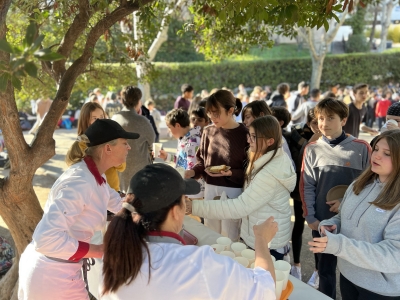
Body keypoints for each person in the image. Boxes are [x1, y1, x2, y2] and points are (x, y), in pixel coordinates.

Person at [99, 164, 277, 299]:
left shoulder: (118, 252)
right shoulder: (199, 263)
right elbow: (265, 290)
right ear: (176, 212)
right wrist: (261, 240)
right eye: (184, 200)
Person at [18, 119, 140, 300]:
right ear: (108, 148)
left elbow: (118, 203)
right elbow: (45, 239)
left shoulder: (95, 175)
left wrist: (152, 207)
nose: (128, 148)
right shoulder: (80, 182)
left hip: (60, 269)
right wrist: (98, 250)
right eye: (124, 143)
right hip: (51, 275)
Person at [187, 116, 296, 261]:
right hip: (263, 236)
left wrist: (194, 206)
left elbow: (240, 207)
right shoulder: (271, 157)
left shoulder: (270, 172)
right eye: (248, 135)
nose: (248, 140)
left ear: (270, 141)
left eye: (253, 137)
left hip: (268, 242)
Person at [309, 130, 400, 300]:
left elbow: (394, 255)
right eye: (376, 149)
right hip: (348, 275)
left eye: (387, 153)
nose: (377, 156)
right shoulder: (360, 184)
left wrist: (340, 245)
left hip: (380, 290)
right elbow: (343, 216)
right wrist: (332, 224)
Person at [300, 98, 371, 298]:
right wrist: (310, 217)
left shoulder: (361, 148)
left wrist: (346, 204)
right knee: (325, 271)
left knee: (354, 271)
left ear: (344, 120)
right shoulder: (311, 149)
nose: (324, 123)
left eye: (331, 118)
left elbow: (369, 185)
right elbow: (307, 186)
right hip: (323, 223)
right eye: (321, 118)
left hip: (354, 223)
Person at [185, 90, 248, 241]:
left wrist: (231, 173)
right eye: (209, 113)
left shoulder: (244, 133)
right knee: (210, 233)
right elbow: (202, 161)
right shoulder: (208, 131)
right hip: (210, 189)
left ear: (231, 110)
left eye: (216, 113)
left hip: (234, 192)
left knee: (231, 235)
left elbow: (249, 169)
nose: (212, 117)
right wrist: (192, 173)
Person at [286, 108, 320, 280]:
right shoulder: (296, 135)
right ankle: (296, 265)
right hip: (301, 187)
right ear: (308, 122)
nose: (319, 126)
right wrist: (312, 142)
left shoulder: (330, 137)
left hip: (321, 190)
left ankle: (318, 270)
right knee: (299, 224)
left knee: (318, 229)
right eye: (315, 122)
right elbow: (297, 162)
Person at [66, 102, 126, 192]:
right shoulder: (81, 143)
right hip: (92, 195)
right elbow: (72, 164)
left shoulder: (111, 137)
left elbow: (122, 167)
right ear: (86, 120)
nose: (100, 121)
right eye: (95, 118)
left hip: (113, 192)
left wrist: (117, 162)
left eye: (101, 117)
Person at [112, 86, 155, 192]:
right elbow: (152, 141)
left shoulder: (114, 119)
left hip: (120, 168)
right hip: (140, 170)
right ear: (139, 101)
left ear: (122, 100)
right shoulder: (143, 121)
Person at [159, 109, 205, 199]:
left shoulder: (193, 141)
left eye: (169, 127)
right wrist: (167, 156)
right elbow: (183, 161)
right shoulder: (184, 139)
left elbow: (192, 168)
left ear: (177, 125)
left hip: (193, 191)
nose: (169, 131)